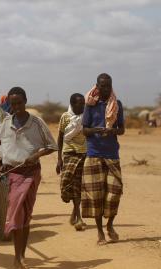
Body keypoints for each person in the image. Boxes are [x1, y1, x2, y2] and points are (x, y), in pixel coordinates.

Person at [0, 87, 57, 269]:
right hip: (12, 174)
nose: (16, 107)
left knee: (25, 218)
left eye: (19, 103)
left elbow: (51, 146)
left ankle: (21, 256)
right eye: (12, 104)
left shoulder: (37, 123)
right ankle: (17, 259)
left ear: (25, 102)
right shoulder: (6, 123)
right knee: (17, 216)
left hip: (31, 174)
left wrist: (36, 156)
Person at [82, 73, 124, 246]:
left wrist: (112, 131)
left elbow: (121, 129)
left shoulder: (117, 105)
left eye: (108, 85)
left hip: (112, 155)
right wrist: (97, 130)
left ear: (111, 85)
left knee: (114, 193)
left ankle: (110, 225)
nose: (105, 89)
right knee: (96, 196)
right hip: (93, 154)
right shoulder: (90, 105)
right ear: (97, 86)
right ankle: (99, 231)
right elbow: (85, 130)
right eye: (102, 86)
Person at [56, 93, 87, 231]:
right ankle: (75, 211)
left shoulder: (86, 117)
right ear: (72, 104)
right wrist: (59, 159)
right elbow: (60, 137)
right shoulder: (65, 117)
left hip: (83, 153)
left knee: (78, 185)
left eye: (83, 103)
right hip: (69, 153)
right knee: (66, 182)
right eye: (78, 103)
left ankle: (78, 216)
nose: (81, 105)